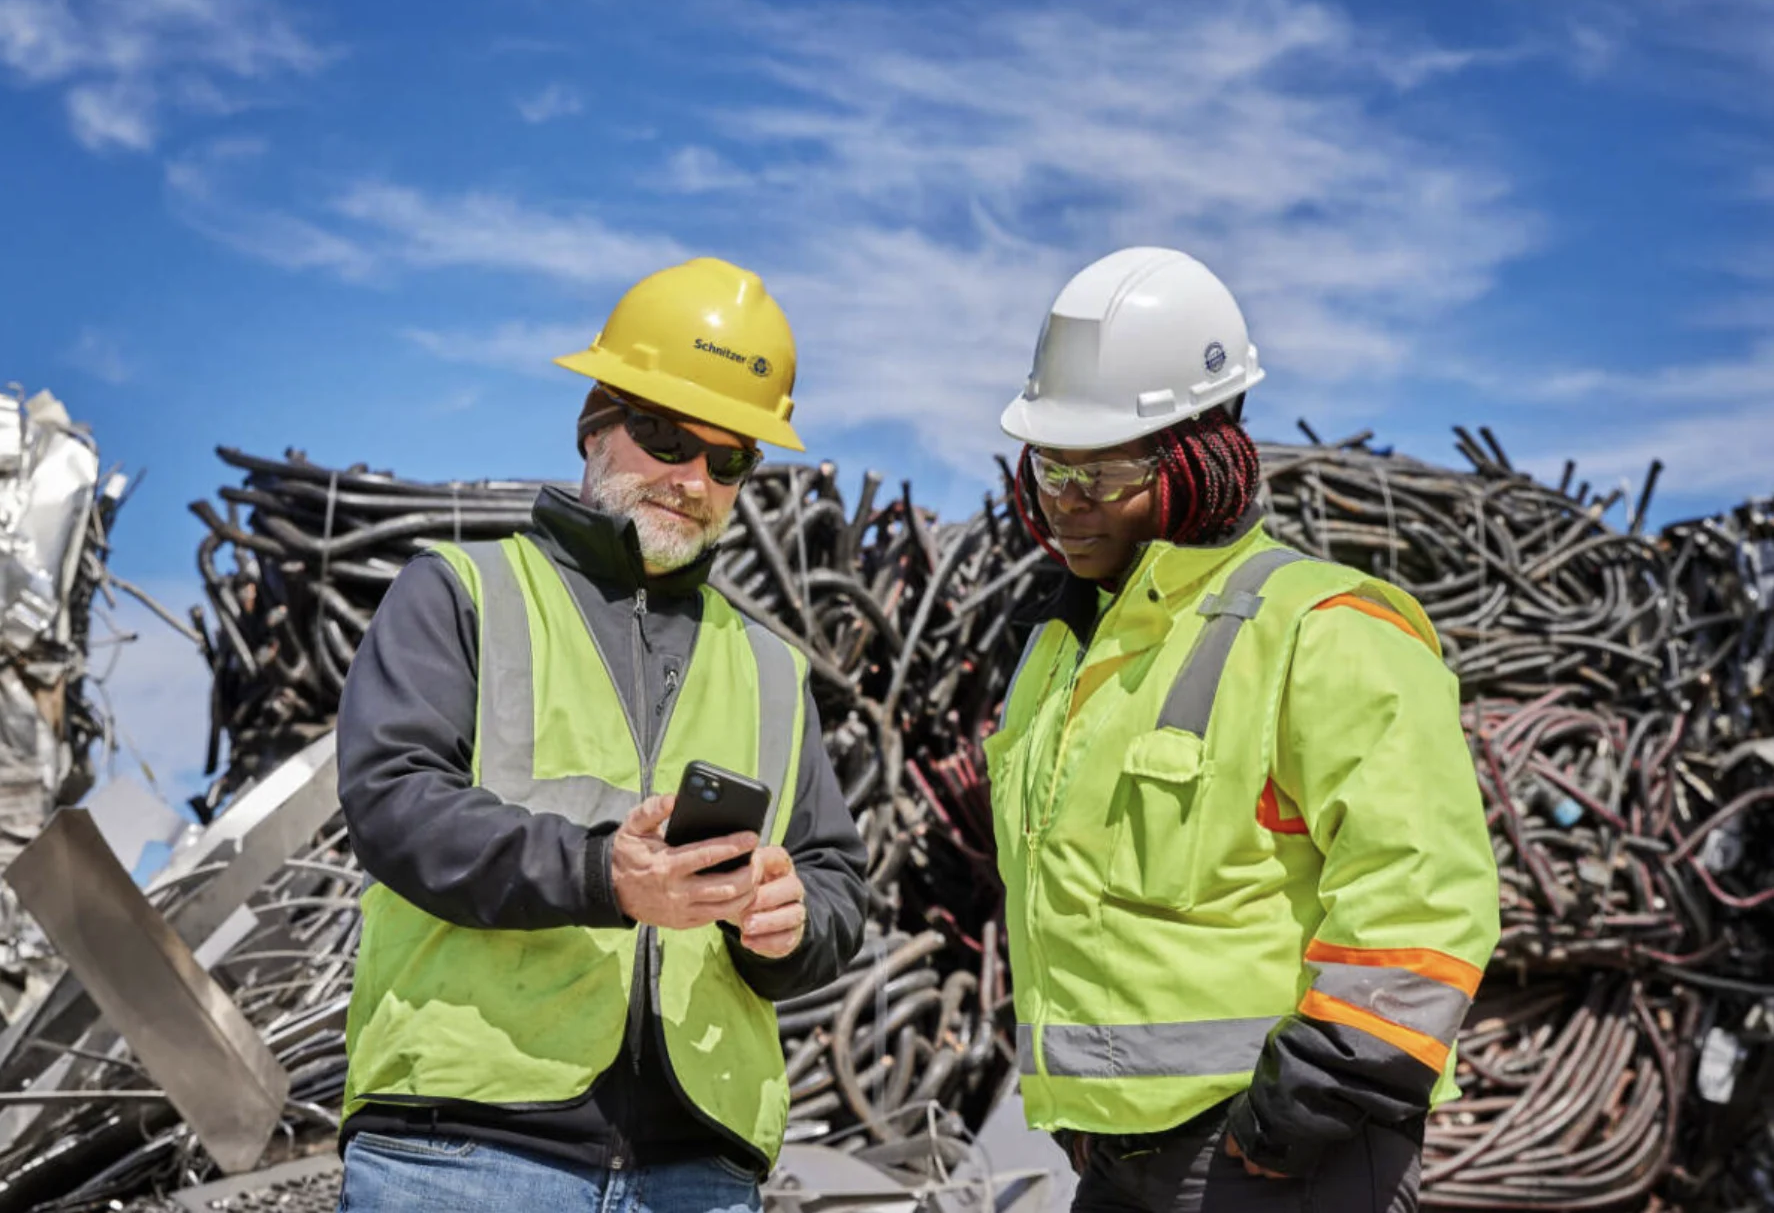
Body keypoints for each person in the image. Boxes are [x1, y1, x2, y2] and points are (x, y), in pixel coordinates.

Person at [334, 257, 869, 1213]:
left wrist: (789, 927)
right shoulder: (461, 593)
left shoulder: (772, 670)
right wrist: (601, 876)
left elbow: (835, 881)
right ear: (595, 424)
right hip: (463, 1151)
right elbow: (393, 804)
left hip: (700, 1171)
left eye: (730, 459)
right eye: (665, 435)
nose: (692, 478)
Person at [987, 247, 1500, 1212]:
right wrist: (1085, 1108)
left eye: (1105, 471)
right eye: (1052, 466)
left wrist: (1307, 1107)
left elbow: (1422, 899)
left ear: (1203, 458)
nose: (1067, 501)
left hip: (1279, 1158)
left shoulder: (1326, 628)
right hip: (1113, 1156)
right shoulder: (1059, 652)